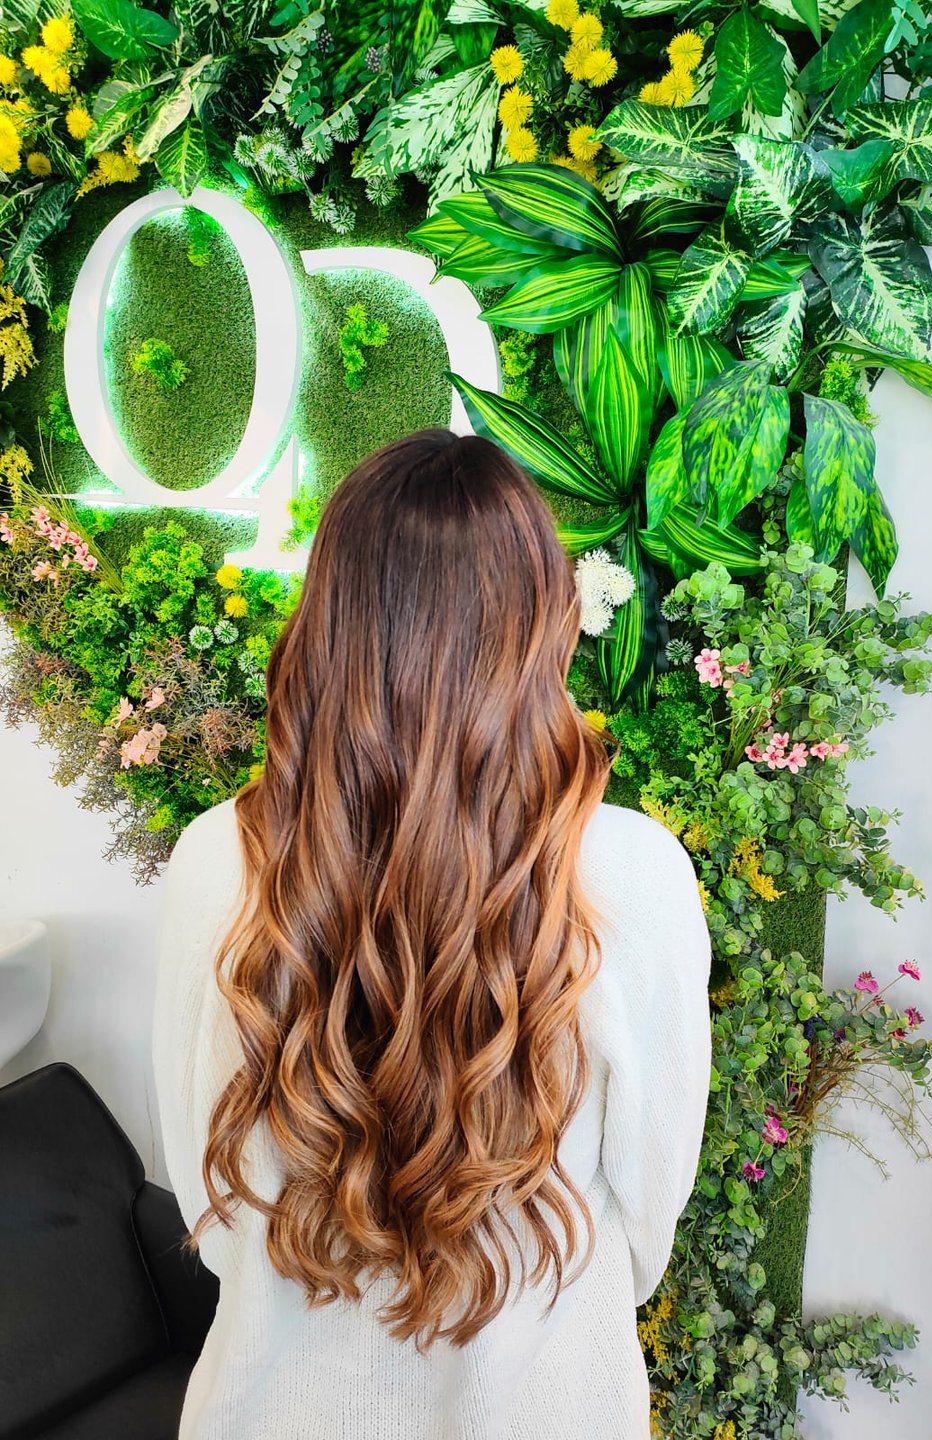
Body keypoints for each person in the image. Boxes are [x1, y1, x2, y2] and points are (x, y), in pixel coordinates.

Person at [153, 429, 712, 1440]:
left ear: (330, 618)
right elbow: (645, 1216)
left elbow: (214, 1200)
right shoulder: (634, 874)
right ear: (543, 619)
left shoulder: (214, 861)